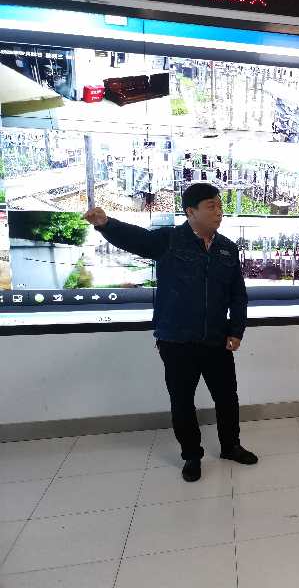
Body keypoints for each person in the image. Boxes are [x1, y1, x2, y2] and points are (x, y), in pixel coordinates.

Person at [84, 182, 258, 483]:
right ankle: (192, 455)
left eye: (220, 205)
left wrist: (236, 330)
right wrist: (105, 224)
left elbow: (238, 296)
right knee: (182, 401)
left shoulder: (227, 248)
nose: (219, 211)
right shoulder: (169, 240)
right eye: (211, 206)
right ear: (191, 212)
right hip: (176, 340)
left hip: (216, 339)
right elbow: (136, 238)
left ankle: (231, 446)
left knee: (227, 397)